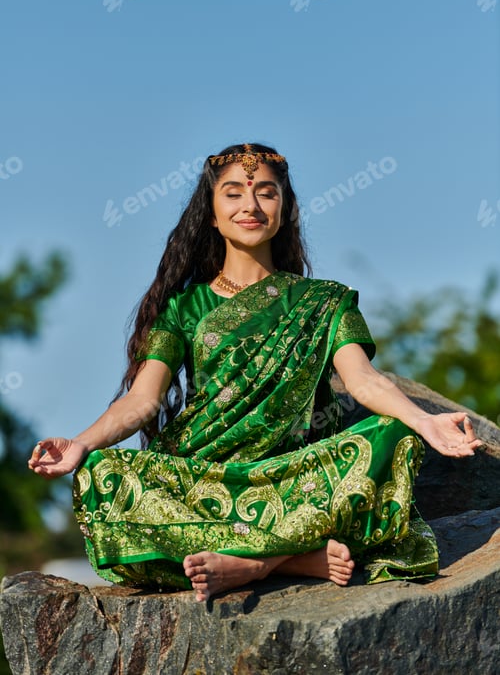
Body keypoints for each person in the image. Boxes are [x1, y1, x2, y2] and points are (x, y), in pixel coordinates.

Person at [29, 143, 482, 603]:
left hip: (291, 476)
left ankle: (253, 562)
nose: (250, 206)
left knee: (393, 434)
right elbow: (142, 401)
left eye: (266, 193)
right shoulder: (183, 307)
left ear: (285, 210)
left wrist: (425, 421)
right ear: (210, 212)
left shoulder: (324, 300)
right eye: (233, 194)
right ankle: (291, 559)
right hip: (200, 477)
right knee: (102, 472)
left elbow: (364, 381)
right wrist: (81, 443)